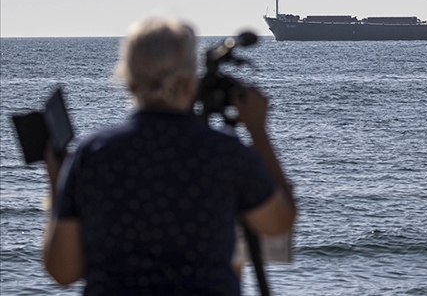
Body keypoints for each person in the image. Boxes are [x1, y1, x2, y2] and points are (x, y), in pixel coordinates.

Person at [42, 18, 296, 294]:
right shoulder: (223, 151)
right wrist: (258, 131)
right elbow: (278, 224)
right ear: (191, 81)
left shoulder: (93, 154)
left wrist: (59, 184)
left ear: (128, 79)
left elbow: (63, 272)